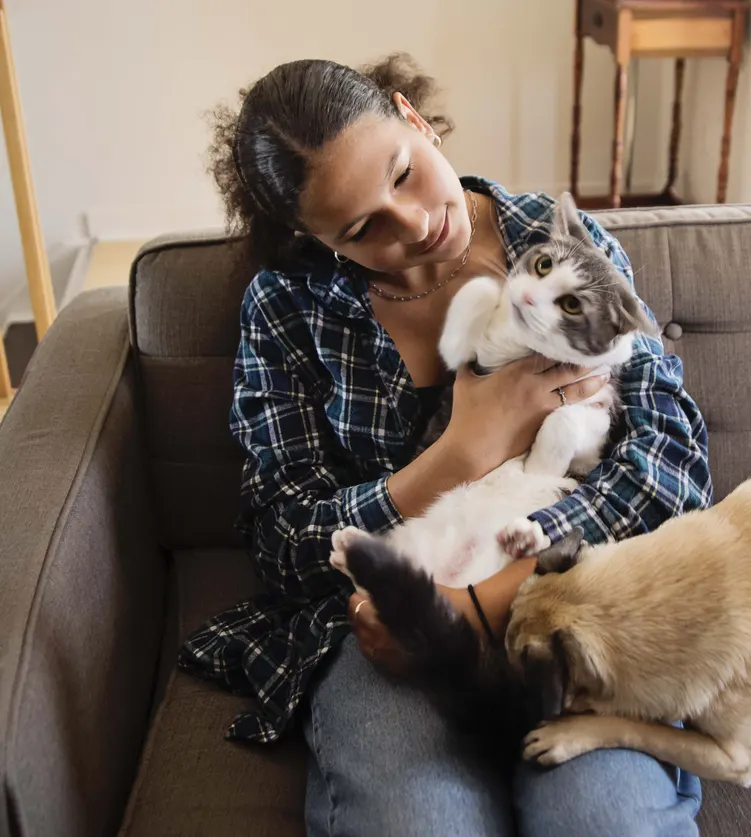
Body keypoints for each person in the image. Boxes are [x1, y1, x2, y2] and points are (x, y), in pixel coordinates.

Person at [176, 54, 712, 836]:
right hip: (386, 632)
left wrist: (477, 607)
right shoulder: (288, 307)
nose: (417, 223)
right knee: (422, 821)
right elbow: (285, 540)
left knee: (609, 818)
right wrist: (462, 451)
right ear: (312, 236)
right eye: (363, 229)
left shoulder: (552, 240)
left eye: (405, 172)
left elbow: (671, 464)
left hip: (570, 598)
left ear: (415, 119)